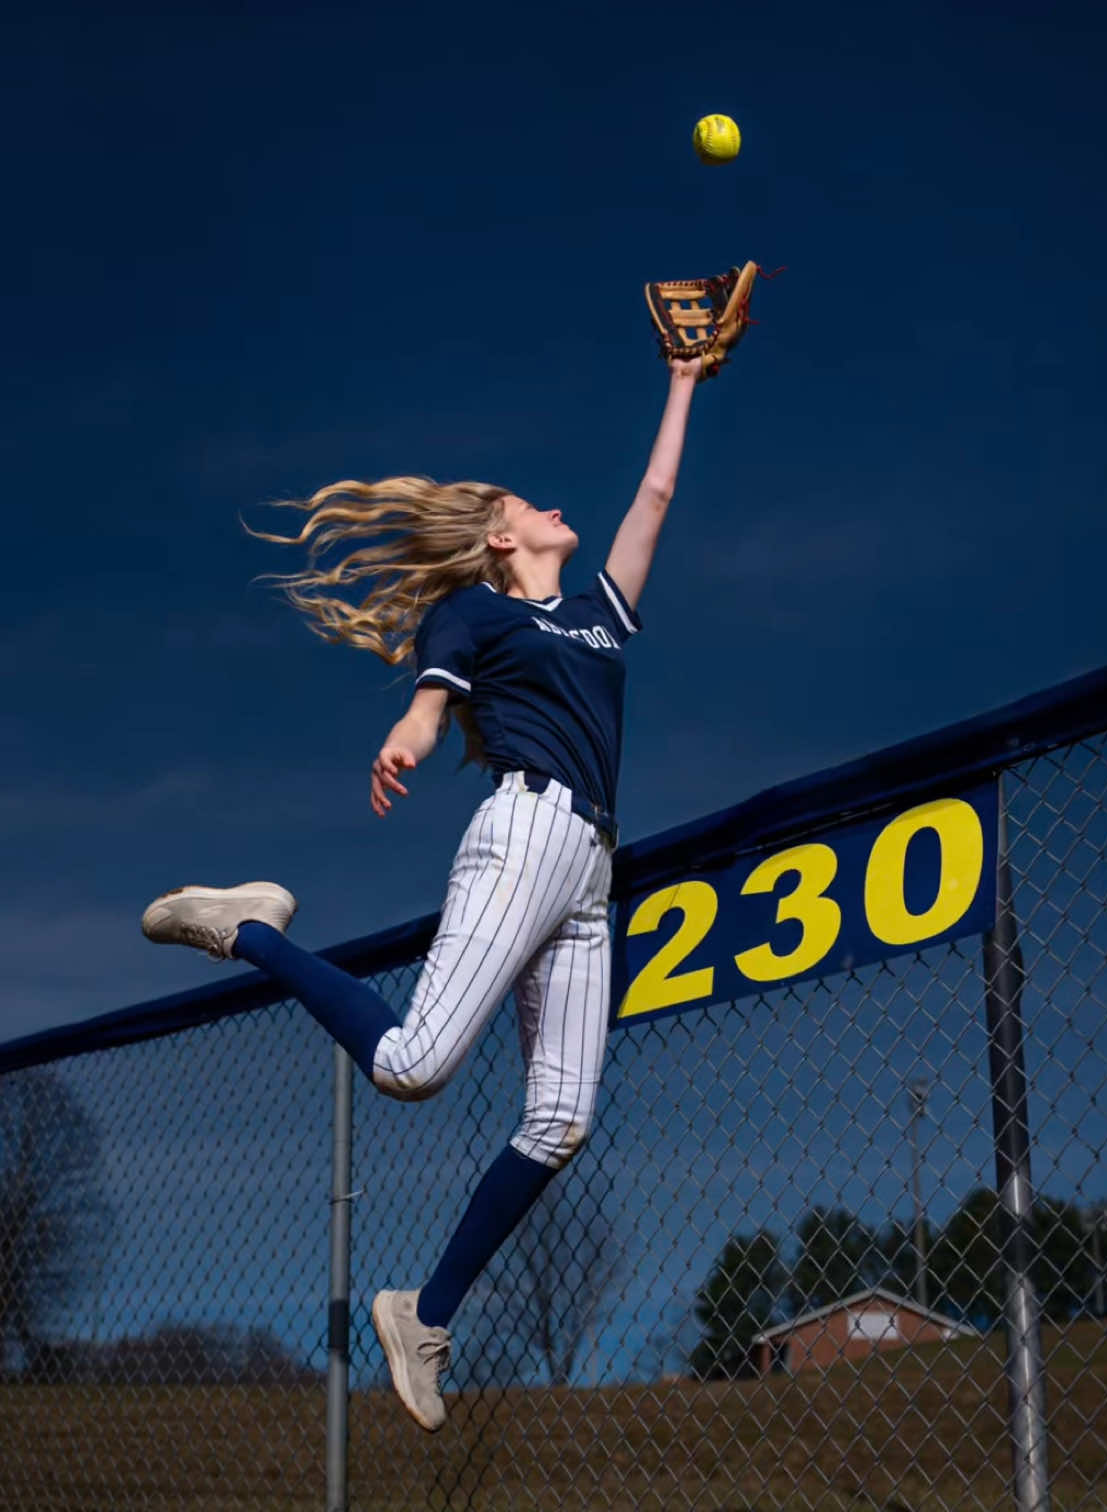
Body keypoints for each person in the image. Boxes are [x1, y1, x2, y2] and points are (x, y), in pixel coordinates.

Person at [140, 353, 707, 1430]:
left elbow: (656, 497)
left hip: (591, 869)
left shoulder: (596, 616)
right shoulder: (473, 617)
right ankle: (251, 930)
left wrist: (684, 378)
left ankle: (423, 1313)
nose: (551, 505)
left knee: (560, 1121)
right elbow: (430, 706)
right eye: (527, 502)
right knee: (410, 1066)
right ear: (500, 537)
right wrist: (402, 743)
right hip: (528, 830)